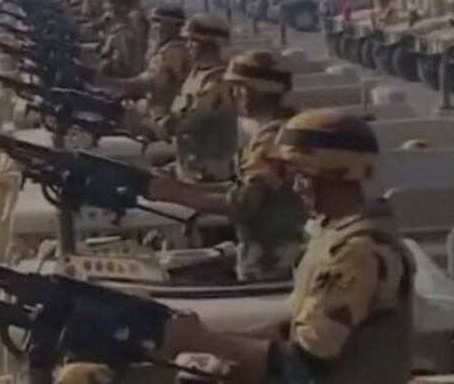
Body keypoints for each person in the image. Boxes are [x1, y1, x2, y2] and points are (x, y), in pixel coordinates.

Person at [155, 108, 415, 384]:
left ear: (330, 174)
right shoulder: (334, 232)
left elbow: (305, 364)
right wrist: (213, 343)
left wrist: (202, 340)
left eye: (302, 175)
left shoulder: (357, 252)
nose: (296, 187)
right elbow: (294, 329)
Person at [147, 50, 307, 282]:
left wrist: (175, 194)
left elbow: (242, 204)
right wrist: (182, 187)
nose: (235, 94)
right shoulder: (277, 131)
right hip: (269, 256)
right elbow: (239, 187)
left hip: (273, 262)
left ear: (260, 90)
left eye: (241, 87)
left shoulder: (272, 139)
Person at [149, 13, 237, 184]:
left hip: (209, 173)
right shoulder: (197, 74)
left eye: (193, 41)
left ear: (210, 45)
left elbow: (187, 121)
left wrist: (151, 125)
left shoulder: (218, 81)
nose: (187, 46)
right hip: (189, 164)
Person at [99, 4, 192, 118]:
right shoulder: (164, 47)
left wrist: (113, 83)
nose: (156, 27)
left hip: (163, 113)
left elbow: (149, 83)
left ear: (175, 26)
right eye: (154, 21)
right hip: (153, 105)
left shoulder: (175, 51)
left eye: (160, 22)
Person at [98, 0, 140, 80]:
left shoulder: (123, 32)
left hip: (120, 79)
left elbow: (125, 62)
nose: (107, 14)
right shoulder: (127, 26)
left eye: (110, 10)